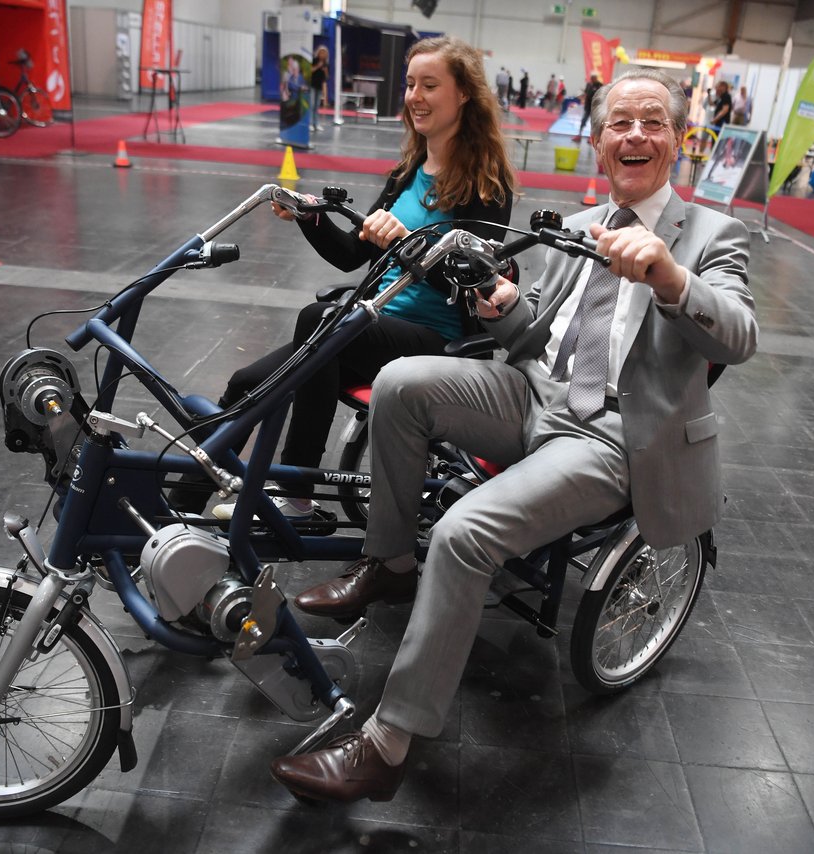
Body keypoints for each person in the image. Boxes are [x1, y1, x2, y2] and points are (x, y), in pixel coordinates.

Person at [270, 68, 758, 804]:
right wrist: (498, 305)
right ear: (597, 145)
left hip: (613, 432)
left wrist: (669, 276)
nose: (635, 135)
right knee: (400, 381)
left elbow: (742, 333)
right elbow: (530, 334)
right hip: (535, 392)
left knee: (467, 532)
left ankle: (389, 743)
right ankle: (391, 563)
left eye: (652, 122)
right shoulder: (578, 224)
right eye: (619, 124)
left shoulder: (715, 235)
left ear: (678, 141)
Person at [168, 36, 518, 521]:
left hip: (436, 339)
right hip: (367, 328)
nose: (415, 95)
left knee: (320, 322)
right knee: (248, 380)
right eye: (411, 84)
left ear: (463, 95)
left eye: (430, 85)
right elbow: (352, 255)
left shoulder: (486, 185)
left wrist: (409, 243)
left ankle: (294, 493)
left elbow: (473, 286)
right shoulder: (409, 171)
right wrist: (310, 217)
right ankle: (180, 510)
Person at [309, 46, 328, 131]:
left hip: (319, 86)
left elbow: (326, 78)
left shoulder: (326, 63)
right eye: (321, 52)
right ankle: (310, 123)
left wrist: (325, 71)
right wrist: (317, 66)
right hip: (312, 85)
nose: (323, 54)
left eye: (324, 53)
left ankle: (316, 123)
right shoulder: (314, 60)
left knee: (316, 106)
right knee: (311, 105)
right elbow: (310, 70)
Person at [577, 71, 602, 136]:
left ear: (596, 78)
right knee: (583, 120)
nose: (591, 79)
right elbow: (586, 93)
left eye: (593, 78)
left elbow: (600, 96)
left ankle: (592, 136)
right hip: (587, 106)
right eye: (591, 78)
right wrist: (581, 96)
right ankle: (579, 134)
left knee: (593, 122)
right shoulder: (589, 84)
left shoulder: (599, 85)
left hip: (594, 107)